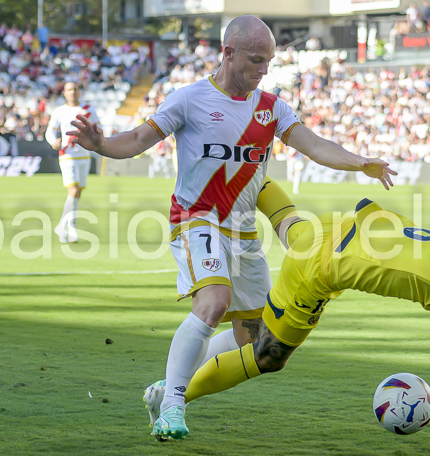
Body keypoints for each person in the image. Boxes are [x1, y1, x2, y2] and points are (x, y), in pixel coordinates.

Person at [66, 15, 396, 441]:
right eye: (256, 60)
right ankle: (172, 408)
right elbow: (135, 141)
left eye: (269, 62)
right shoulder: (189, 99)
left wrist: (358, 161)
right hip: (196, 218)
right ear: (228, 52)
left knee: (256, 344)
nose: (263, 70)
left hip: (243, 233)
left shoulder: (272, 107)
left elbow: (312, 144)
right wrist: (100, 146)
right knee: (214, 302)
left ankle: (166, 389)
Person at [144, 191, 430, 449]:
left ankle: (256, 171)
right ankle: (172, 395)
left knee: (262, 301)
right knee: (267, 355)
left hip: (339, 225)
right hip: (318, 268)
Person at [45, 81, 101, 243]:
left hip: (84, 155)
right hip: (67, 154)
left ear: (79, 91)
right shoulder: (59, 111)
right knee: (74, 190)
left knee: (78, 193)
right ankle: (71, 227)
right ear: (64, 92)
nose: (72, 92)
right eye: (69, 89)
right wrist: (53, 142)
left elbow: (97, 128)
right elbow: (50, 132)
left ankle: (61, 226)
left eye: (75, 89)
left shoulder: (88, 110)